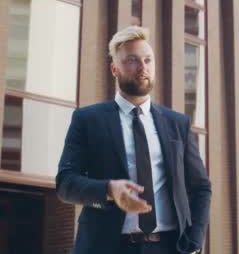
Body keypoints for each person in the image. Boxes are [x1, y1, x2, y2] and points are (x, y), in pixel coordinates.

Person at [56, 26, 211, 254]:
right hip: (106, 247)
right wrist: (109, 189)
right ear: (114, 69)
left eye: (148, 60)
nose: (142, 67)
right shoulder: (87, 119)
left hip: (167, 247)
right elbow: (65, 184)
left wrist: (194, 242)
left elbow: (201, 188)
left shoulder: (177, 124)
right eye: (132, 60)